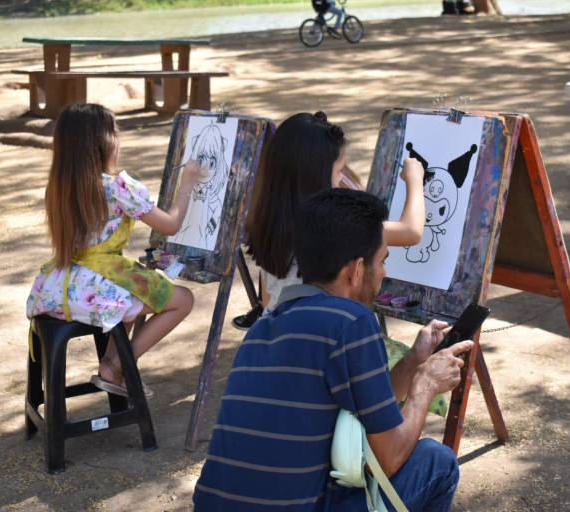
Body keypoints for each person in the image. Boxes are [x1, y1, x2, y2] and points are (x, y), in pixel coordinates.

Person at [193, 188, 473, 511]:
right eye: (382, 261)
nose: (384, 273)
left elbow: (369, 406)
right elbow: (391, 456)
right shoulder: (352, 322)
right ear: (355, 270)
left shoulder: (262, 328)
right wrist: (425, 385)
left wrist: (414, 360)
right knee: (436, 462)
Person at [26, 103, 203, 397]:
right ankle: (118, 365)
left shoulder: (58, 186)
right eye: (115, 133)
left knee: (132, 294)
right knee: (183, 300)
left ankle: (112, 362)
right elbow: (170, 225)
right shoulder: (118, 187)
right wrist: (186, 184)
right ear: (104, 142)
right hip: (97, 287)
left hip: (55, 288)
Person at [234, 111, 425, 326]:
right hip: (320, 340)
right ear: (316, 176)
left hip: (278, 336)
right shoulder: (331, 223)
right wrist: (415, 180)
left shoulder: (270, 216)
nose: (341, 179)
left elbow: (268, 299)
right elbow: (411, 231)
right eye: (338, 172)